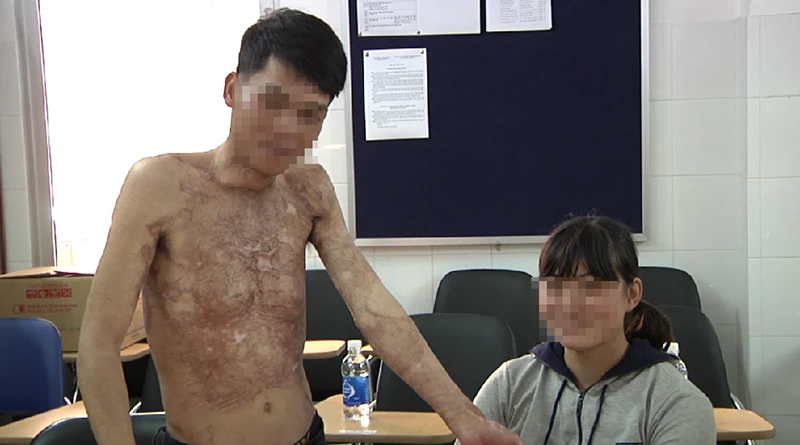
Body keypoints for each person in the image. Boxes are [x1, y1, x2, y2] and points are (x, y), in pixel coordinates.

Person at [76, 9, 521, 445]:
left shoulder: (309, 191)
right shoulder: (160, 186)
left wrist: (465, 418)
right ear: (232, 89)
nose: (288, 129)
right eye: (272, 102)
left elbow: (375, 310)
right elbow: (98, 344)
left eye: (311, 113)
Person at [457, 215, 717, 445]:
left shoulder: (675, 402)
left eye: (591, 286)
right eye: (556, 286)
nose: (571, 304)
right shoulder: (510, 384)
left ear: (632, 294)